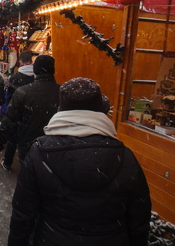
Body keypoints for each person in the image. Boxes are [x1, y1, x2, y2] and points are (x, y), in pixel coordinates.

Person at [8, 77, 151, 246]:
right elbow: (139, 219)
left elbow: (23, 213)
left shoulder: (40, 152)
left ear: (60, 107)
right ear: (101, 109)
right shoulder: (125, 157)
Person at [0, 54, 60, 165]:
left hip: (28, 144)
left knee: (28, 176)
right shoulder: (62, 92)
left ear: (35, 71)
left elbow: (8, 122)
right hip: (55, 145)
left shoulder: (23, 92)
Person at [0, 51, 35, 170]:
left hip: (17, 112)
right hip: (31, 112)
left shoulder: (15, 78)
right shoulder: (35, 77)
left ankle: (8, 162)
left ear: (20, 62)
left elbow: (10, 97)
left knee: (12, 138)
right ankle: (29, 164)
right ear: (31, 61)